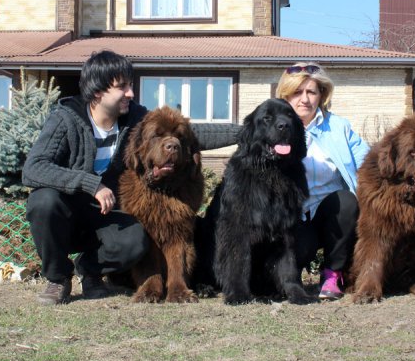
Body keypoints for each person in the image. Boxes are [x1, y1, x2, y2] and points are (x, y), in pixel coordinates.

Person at [23, 50, 240, 305]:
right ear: (97, 92)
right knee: (43, 202)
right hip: (69, 209)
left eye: (130, 85)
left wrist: (247, 131)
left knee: (135, 242)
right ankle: (58, 278)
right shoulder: (66, 119)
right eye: (122, 87)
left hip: (108, 213)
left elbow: (192, 134)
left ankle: (90, 271)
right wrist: (90, 184)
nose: (131, 93)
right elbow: (33, 168)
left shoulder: (135, 119)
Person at [275, 62, 370, 301]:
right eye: (297, 92)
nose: (304, 99)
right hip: (294, 218)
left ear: (321, 96)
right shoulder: (274, 129)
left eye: (311, 92)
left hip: (331, 213)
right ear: (285, 96)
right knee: (287, 266)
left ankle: (332, 274)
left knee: (346, 201)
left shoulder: (339, 127)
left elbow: (369, 163)